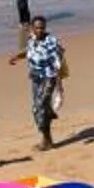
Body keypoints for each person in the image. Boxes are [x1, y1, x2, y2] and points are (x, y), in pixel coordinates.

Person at [25, 15, 67, 149]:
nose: (40, 30)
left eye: (42, 28)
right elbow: (29, 53)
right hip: (35, 78)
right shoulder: (31, 40)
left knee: (40, 107)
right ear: (32, 28)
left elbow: (57, 65)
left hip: (49, 78)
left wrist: (60, 89)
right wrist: (17, 57)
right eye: (37, 28)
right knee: (36, 110)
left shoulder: (50, 42)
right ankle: (47, 138)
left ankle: (46, 141)